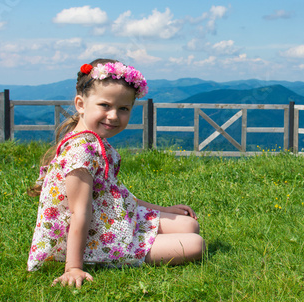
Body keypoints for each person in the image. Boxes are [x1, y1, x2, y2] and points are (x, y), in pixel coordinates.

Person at [27, 58, 204, 288]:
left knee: (189, 225)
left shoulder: (95, 142)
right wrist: (73, 268)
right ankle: (108, 256)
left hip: (111, 220)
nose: (113, 116)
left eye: (123, 109)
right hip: (98, 238)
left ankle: (145, 237)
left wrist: (163, 210)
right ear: (80, 104)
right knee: (195, 244)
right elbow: (78, 212)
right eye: (105, 105)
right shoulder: (81, 152)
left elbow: (116, 194)